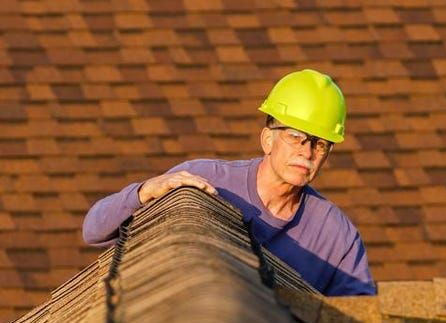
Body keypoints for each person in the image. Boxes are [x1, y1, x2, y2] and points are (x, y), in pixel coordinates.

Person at [82, 69, 376, 296]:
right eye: (296, 137)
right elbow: (94, 230)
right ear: (268, 139)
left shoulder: (337, 236)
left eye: (320, 144)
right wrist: (144, 192)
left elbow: (362, 312)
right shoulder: (204, 181)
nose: (307, 152)